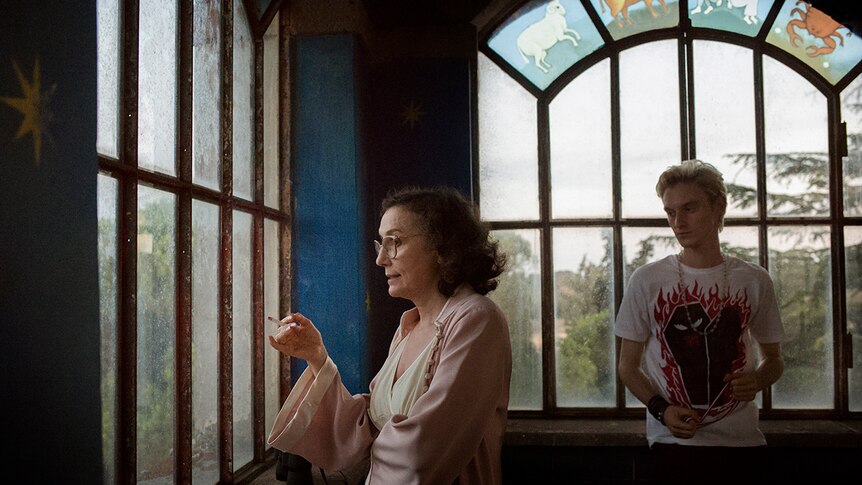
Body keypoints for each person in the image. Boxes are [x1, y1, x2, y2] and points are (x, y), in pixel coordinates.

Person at [266, 185, 512, 484]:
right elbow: (371, 422)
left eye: (394, 242)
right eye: (380, 244)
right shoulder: (409, 326)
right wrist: (317, 357)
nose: (381, 258)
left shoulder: (476, 319)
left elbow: (425, 449)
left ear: (443, 248)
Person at [615, 159, 786, 484]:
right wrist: (661, 409)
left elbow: (774, 360)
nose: (678, 222)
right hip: (672, 445)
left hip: (741, 443)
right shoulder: (647, 280)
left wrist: (758, 381)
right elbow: (627, 366)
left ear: (718, 206)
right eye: (670, 212)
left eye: (689, 208)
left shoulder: (753, 279)